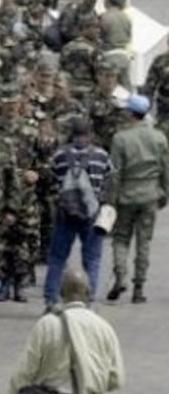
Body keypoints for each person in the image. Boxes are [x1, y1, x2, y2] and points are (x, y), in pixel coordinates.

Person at [10, 270, 123, 394]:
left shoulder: (47, 324)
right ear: (88, 294)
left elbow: (25, 372)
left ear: (61, 293)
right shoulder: (104, 329)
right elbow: (116, 379)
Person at [105, 94, 169, 304]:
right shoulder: (159, 137)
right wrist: (165, 193)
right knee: (144, 241)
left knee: (121, 238)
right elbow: (165, 169)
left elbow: (115, 173)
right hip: (150, 194)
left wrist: (110, 200)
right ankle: (139, 287)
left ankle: (120, 275)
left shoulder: (120, 138)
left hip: (126, 195)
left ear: (130, 113)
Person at [45, 118, 111, 308]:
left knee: (57, 258)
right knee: (92, 258)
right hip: (91, 214)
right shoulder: (101, 155)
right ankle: (87, 301)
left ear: (71, 134)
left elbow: (52, 180)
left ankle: (51, 299)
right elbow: (108, 181)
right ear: (90, 134)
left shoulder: (59, 155)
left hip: (65, 213)